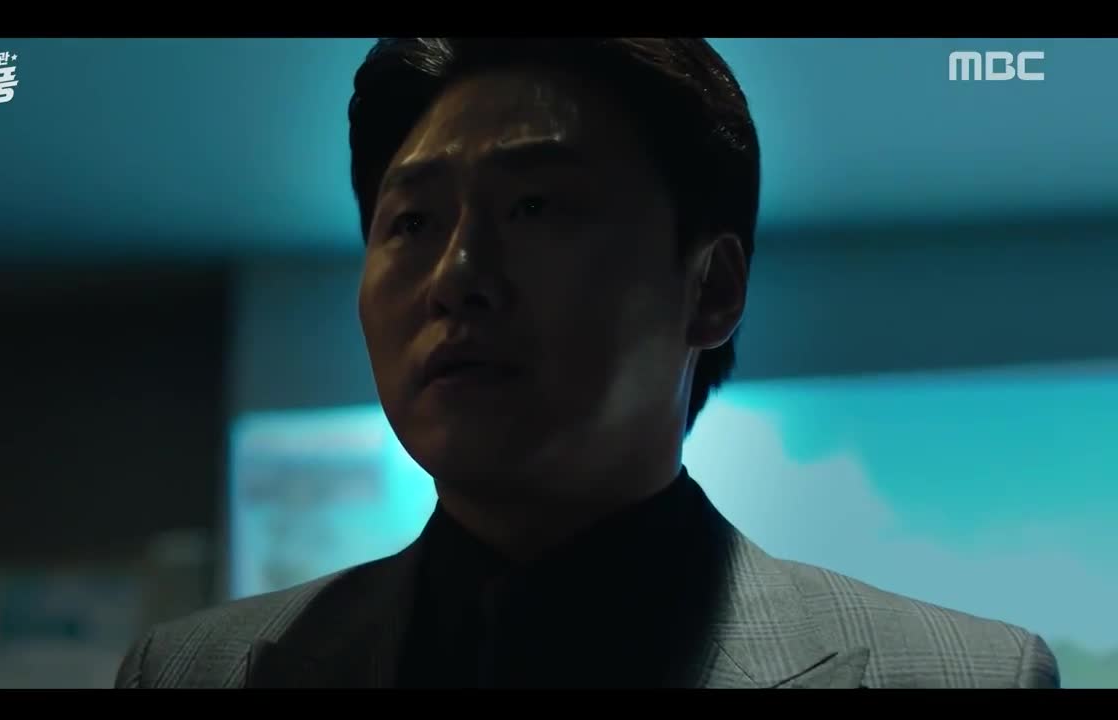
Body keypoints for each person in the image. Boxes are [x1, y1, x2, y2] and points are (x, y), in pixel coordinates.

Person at [116, 38, 1060, 689]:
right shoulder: (199, 673)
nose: (456, 278)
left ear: (711, 288)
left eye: (535, 207)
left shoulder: (959, 675)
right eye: (412, 222)